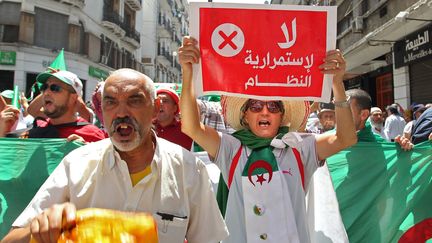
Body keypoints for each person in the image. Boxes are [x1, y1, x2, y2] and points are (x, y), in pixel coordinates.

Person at [2, 68, 228, 243]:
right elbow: (12, 238)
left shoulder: (190, 170)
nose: (121, 113)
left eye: (134, 100)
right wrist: (40, 228)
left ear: (155, 108)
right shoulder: (76, 164)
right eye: (111, 102)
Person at [178, 36, 357, 243]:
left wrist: (337, 84)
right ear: (245, 115)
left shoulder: (300, 147)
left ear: (282, 116)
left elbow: (345, 138)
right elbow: (191, 127)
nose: (264, 112)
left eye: (273, 107)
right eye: (255, 106)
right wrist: (187, 71)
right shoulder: (231, 148)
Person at [25, 70, 105, 142]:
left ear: (73, 97)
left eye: (55, 88)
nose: (46, 93)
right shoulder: (38, 126)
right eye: (44, 87)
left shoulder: (93, 136)